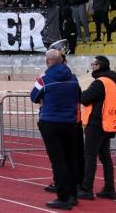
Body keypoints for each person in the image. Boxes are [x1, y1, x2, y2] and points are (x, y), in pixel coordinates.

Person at [31, 49, 81, 209]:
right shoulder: (74, 78)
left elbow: (33, 96)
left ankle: (62, 197)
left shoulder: (44, 79)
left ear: (47, 61)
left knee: (57, 161)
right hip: (70, 122)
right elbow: (78, 96)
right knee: (70, 159)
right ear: (62, 60)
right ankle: (73, 195)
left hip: (50, 121)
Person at [79, 56, 116, 201]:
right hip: (108, 124)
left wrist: (81, 93)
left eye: (93, 64)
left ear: (98, 66)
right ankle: (110, 189)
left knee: (90, 156)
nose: (91, 67)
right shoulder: (113, 82)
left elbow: (84, 98)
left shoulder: (100, 82)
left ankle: (86, 189)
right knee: (105, 158)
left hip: (97, 124)